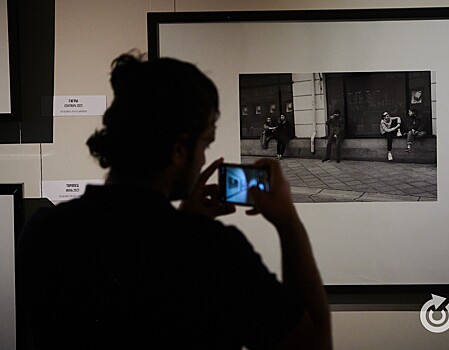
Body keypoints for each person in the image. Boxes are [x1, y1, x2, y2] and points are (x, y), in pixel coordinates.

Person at [16, 53, 332, 350]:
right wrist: (287, 222)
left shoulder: (44, 231)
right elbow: (314, 344)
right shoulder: (214, 253)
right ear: (180, 149)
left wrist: (183, 221)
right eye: (205, 143)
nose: (204, 157)